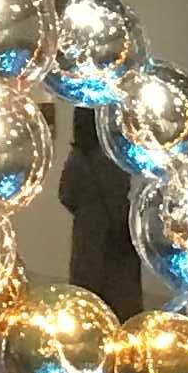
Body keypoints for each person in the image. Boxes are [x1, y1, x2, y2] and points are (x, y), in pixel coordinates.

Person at [58, 105, 143, 322]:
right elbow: (117, 195)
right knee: (117, 302)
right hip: (112, 238)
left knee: (88, 298)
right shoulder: (110, 158)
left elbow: (66, 194)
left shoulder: (77, 157)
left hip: (87, 233)